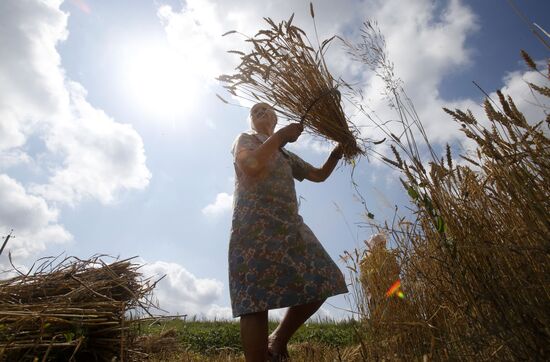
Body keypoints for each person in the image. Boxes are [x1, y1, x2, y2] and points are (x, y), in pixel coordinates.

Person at [228, 102, 348, 361]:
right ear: (250, 121)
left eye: (265, 110)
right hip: (254, 226)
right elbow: (250, 165)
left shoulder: (284, 154)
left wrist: (338, 153)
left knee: (327, 277)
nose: (260, 112)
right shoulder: (246, 139)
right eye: (254, 112)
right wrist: (281, 136)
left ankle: (278, 339)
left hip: (288, 225)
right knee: (254, 300)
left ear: (275, 117)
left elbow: (318, 175)